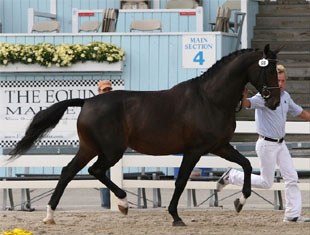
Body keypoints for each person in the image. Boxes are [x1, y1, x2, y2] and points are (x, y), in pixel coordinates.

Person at [216, 64, 310, 222]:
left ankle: (292, 215)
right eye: (278, 80)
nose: (280, 84)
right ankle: (232, 175)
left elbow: (300, 113)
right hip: (266, 144)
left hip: (281, 144)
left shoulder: (286, 96)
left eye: (283, 81)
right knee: (267, 183)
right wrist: (243, 97)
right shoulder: (263, 96)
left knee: (292, 177)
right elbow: (247, 104)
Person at [97, 80, 112, 209]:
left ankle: (110, 201)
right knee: (104, 171)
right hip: (102, 143)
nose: (107, 92)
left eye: (108, 90)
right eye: (104, 90)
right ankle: (106, 203)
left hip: (113, 142)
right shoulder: (96, 105)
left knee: (109, 172)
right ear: (99, 91)